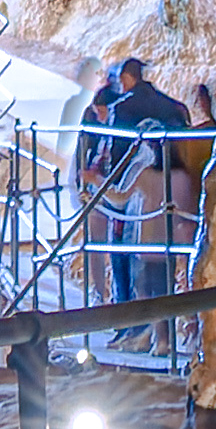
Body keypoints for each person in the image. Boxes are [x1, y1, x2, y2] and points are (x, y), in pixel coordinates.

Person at [81, 56, 193, 300]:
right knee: (164, 273)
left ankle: (125, 313)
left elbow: (114, 161)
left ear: (125, 78)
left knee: (128, 269)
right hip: (172, 208)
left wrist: (97, 181)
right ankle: (166, 321)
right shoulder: (175, 107)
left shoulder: (121, 109)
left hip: (134, 204)